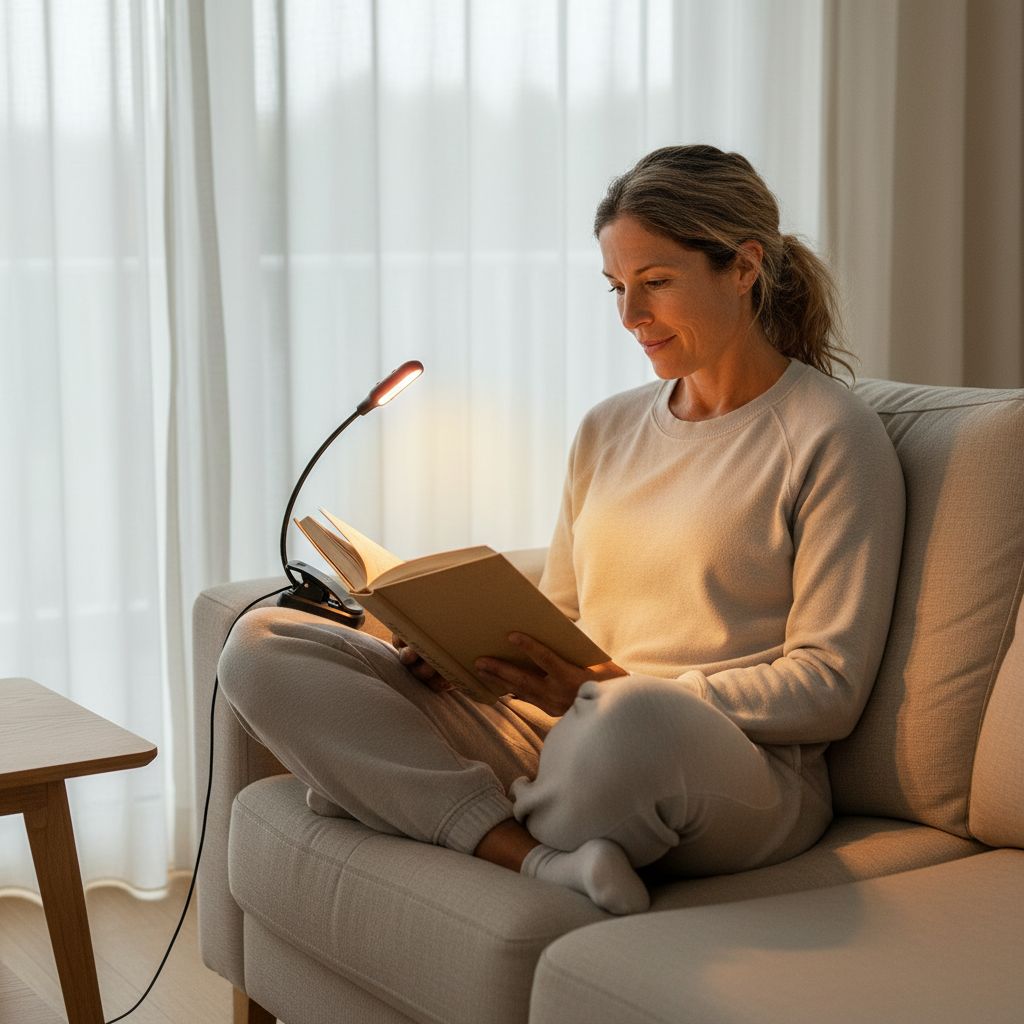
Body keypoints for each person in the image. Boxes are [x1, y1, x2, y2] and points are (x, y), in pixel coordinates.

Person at [219, 144, 905, 916]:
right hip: (565, 733)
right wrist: (466, 658)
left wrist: (616, 686)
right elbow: (565, 616)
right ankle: (537, 856)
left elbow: (829, 686)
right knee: (263, 646)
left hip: (721, 762)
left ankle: (405, 799)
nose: (630, 316)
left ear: (743, 267)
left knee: (632, 716)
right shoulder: (607, 428)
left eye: (655, 283)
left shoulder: (830, 434)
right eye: (617, 287)